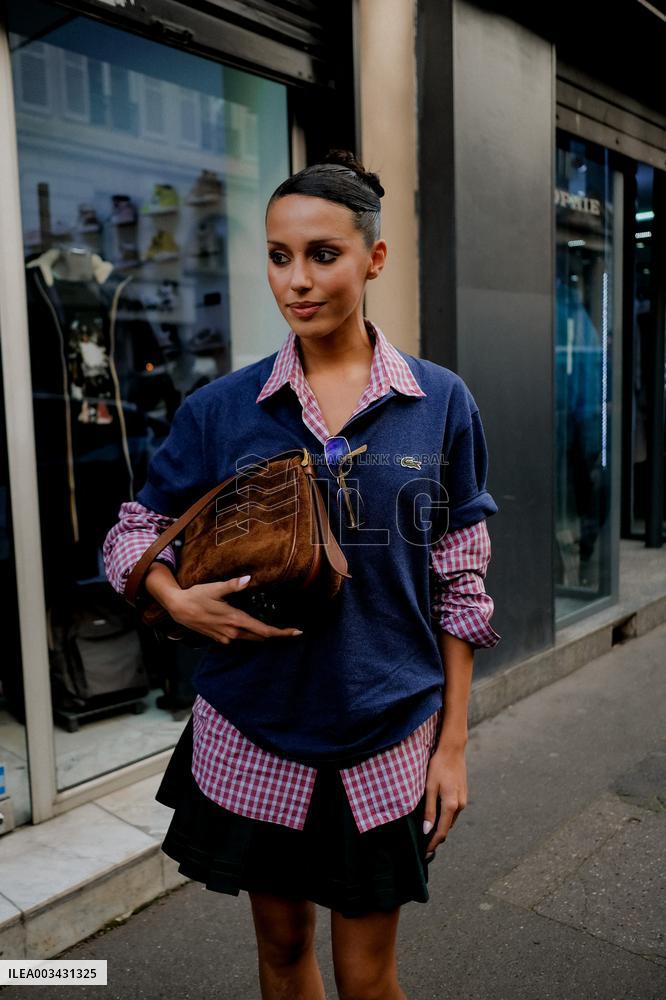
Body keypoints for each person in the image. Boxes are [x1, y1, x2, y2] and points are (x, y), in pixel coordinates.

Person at [103, 149, 501, 1000]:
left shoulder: (439, 402)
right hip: (254, 728)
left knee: (368, 976)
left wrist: (453, 746)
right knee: (282, 955)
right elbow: (134, 531)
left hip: (387, 732)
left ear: (374, 258)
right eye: (279, 256)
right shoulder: (222, 409)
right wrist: (173, 597)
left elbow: (460, 585)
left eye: (323, 254)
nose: (297, 280)